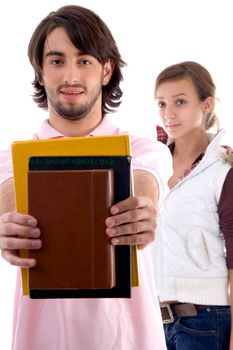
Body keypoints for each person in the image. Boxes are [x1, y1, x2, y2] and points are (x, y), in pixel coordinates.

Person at [0, 5, 172, 350]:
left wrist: (141, 211)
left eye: (85, 60)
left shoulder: (143, 149)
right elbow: (11, 198)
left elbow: (144, 185)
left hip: (130, 341)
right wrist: (9, 227)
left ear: (107, 70)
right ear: (40, 71)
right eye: (57, 61)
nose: (71, 77)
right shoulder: (9, 159)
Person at [154, 61, 233, 350]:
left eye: (181, 102)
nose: (169, 113)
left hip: (207, 321)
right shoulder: (149, 165)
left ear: (206, 104)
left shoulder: (224, 169)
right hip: (155, 321)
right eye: (161, 103)